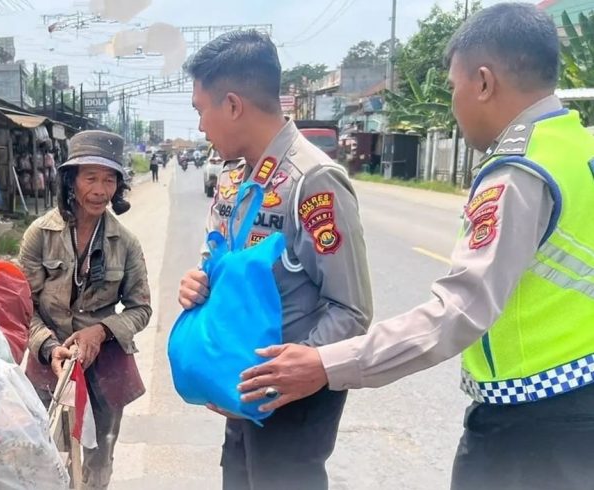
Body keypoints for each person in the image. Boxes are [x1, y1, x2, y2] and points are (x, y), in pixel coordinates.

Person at [238, 4, 594, 489]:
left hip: (532, 425)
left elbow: (460, 310)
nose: (452, 101)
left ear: (484, 83)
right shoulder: (578, 146)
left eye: (453, 86)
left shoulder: (520, 172)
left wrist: (328, 363)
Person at [177, 30, 373, 490]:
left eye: (200, 111)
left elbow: (352, 309)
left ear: (232, 105)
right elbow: (220, 265)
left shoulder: (313, 181)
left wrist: (286, 375)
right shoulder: (234, 178)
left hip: (293, 401)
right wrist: (197, 283)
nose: (201, 126)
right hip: (243, 393)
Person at [19, 130, 152, 490]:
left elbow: (141, 309)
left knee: (98, 461)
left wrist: (102, 331)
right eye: (90, 177)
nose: (99, 189)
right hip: (50, 365)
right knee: (44, 457)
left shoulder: (125, 242)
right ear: (71, 181)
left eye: (109, 179)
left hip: (104, 368)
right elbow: (21, 309)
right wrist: (48, 347)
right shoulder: (39, 235)